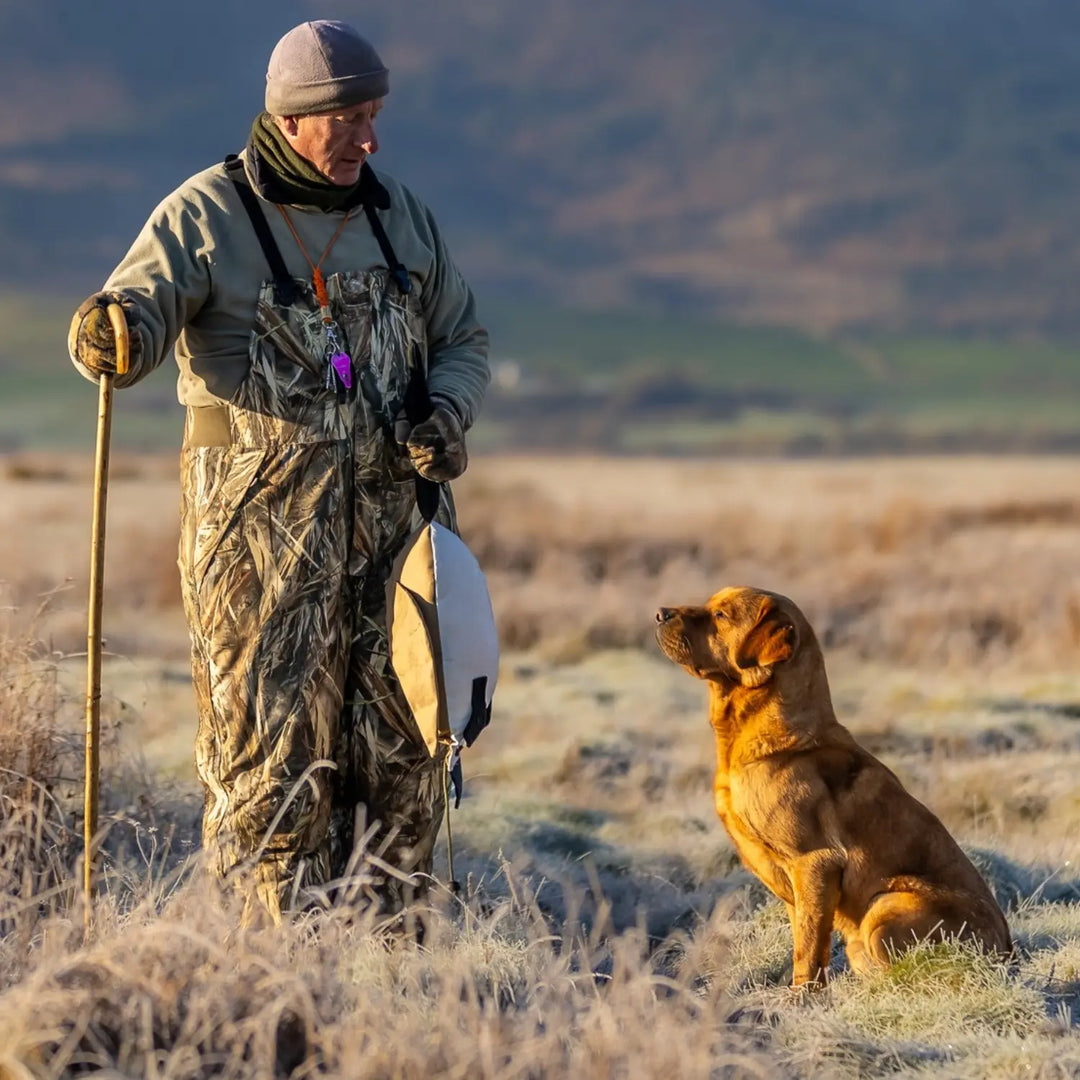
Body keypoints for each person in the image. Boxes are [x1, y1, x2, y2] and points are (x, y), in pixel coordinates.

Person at [67, 20, 490, 923]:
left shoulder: (400, 217)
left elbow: (461, 339)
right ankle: (269, 991)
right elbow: (129, 319)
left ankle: (399, 975)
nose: (370, 139)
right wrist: (114, 332)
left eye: (376, 116)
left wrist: (446, 414)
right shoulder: (204, 215)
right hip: (260, 561)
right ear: (294, 118)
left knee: (406, 762)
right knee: (269, 772)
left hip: (399, 550)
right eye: (350, 119)